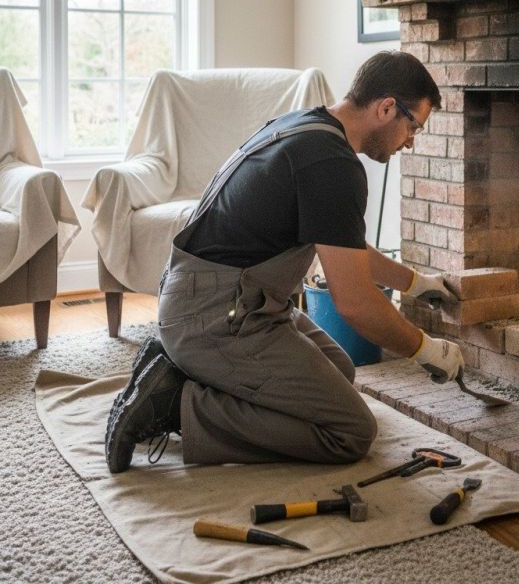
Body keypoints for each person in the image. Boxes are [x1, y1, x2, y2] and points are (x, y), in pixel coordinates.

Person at [105, 51, 464, 473]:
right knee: (350, 431)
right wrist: (426, 350)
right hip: (217, 314)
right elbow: (356, 303)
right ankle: (174, 405)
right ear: (387, 108)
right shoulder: (334, 166)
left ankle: (181, 372)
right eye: (413, 126)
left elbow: (343, 245)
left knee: (339, 371)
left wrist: (416, 282)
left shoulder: (306, 126)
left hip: (215, 299)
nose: (410, 141)